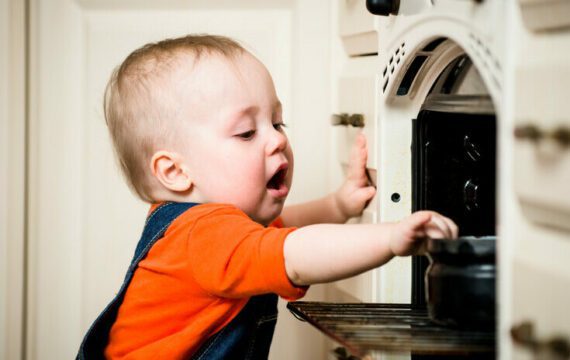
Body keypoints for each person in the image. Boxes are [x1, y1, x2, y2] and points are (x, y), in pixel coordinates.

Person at [77, 34, 458, 360]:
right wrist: (389, 238)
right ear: (176, 172)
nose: (278, 139)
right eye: (246, 132)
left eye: (278, 122)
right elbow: (294, 253)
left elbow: (283, 228)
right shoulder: (202, 237)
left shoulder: (206, 231)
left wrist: (339, 205)